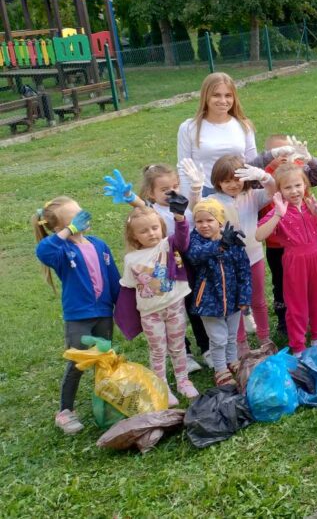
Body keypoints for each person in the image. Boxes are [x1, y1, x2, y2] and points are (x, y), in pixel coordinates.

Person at [103, 163, 206, 373]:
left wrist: (196, 189)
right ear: (151, 193)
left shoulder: (182, 206)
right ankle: (184, 354)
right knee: (173, 310)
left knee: (195, 308)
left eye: (176, 186)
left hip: (191, 265)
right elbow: (141, 207)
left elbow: (196, 215)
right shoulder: (154, 212)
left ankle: (206, 347)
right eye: (165, 189)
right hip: (167, 269)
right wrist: (130, 196)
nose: (172, 192)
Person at [34, 197, 120, 434]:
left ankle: (107, 402)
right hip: (79, 317)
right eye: (74, 218)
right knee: (79, 362)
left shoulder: (99, 244)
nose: (83, 219)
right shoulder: (61, 251)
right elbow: (43, 251)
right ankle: (65, 411)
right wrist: (70, 231)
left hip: (103, 312)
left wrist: (122, 304)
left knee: (104, 358)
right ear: (59, 228)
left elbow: (113, 277)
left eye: (81, 213)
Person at [255, 167, 317, 356]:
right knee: (296, 303)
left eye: (298, 185)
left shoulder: (310, 205)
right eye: (288, 188)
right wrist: (278, 214)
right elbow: (259, 235)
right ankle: (298, 345)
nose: (294, 191)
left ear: (305, 185)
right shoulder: (279, 210)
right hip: (294, 260)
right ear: (279, 191)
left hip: (316, 256)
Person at [119, 203, 199, 404]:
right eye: (144, 231)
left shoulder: (168, 245)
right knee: (158, 350)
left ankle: (183, 381)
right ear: (134, 236)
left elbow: (183, 238)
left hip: (174, 307)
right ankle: (161, 386)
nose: (151, 233)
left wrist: (180, 219)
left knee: (178, 345)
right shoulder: (130, 259)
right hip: (150, 313)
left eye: (154, 228)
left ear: (161, 227)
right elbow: (128, 286)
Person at [253, 133, 317, 334]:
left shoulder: (297, 175)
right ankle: (284, 319)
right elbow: (262, 183)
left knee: (306, 284)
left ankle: (310, 315)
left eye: (288, 150)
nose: (284, 156)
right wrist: (271, 167)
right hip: (277, 246)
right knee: (281, 282)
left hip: (302, 246)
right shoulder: (265, 177)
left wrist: (307, 158)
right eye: (278, 152)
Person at [206, 155, 277, 353]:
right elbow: (197, 210)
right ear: (218, 182)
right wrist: (195, 189)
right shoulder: (213, 200)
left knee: (258, 300)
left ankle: (265, 338)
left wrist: (264, 176)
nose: (232, 185)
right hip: (228, 262)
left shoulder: (253, 195)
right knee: (236, 303)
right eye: (226, 181)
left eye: (236, 179)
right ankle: (241, 343)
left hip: (254, 258)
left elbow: (273, 191)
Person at [186, 198, 251, 386]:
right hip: (208, 301)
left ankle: (232, 361)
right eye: (199, 221)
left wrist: (245, 296)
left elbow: (244, 270)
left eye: (209, 220)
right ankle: (220, 369)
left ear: (220, 221)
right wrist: (220, 245)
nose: (204, 225)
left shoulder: (234, 241)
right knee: (218, 338)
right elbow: (196, 256)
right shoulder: (195, 240)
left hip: (233, 299)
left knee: (231, 335)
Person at [177, 72, 256, 198]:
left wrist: (251, 197)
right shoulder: (189, 128)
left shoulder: (243, 125)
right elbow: (184, 168)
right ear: (205, 96)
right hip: (205, 194)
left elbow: (252, 164)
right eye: (216, 95)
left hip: (237, 191)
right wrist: (190, 204)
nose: (223, 101)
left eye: (228, 96)